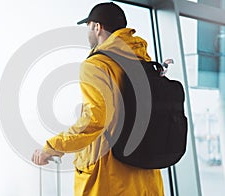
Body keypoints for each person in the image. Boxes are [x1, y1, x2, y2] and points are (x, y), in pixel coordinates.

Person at [32, 2, 164, 195]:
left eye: (88, 27)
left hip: (109, 177)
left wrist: (53, 147)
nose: (88, 32)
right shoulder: (144, 62)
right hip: (146, 173)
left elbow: (95, 120)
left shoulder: (96, 65)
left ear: (97, 27)